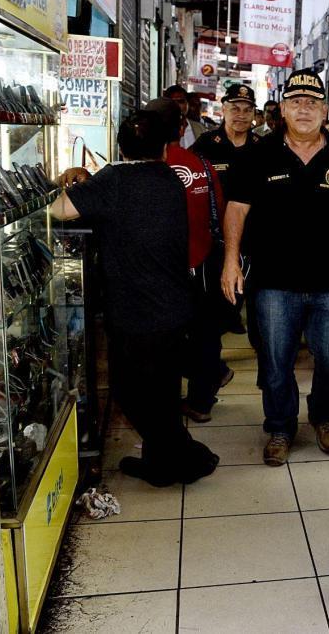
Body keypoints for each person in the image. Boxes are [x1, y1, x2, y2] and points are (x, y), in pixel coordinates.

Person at [51, 111, 219, 486]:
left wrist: (70, 183)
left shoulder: (116, 179)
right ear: (164, 148)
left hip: (135, 309)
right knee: (162, 392)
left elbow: (59, 210)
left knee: (130, 391)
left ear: (120, 147)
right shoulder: (169, 178)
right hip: (174, 305)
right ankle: (163, 464)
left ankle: (187, 457)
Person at [221, 69, 329, 465]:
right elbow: (236, 208)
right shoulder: (259, 153)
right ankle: (280, 426)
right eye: (296, 102)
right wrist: (230, 261)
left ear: (324, 109)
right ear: (283, 109)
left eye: (313, 103)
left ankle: (323, 415)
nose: (304, 109)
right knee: (275, 360)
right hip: (273, 283)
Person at [144, 98, 230, 423]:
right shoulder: (203, 167)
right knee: (205, 334)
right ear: (182, 128)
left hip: (159, 272)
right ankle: (201, 400)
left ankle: (165, 405)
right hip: (203, 264)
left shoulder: (144, 169)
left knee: (162, 339)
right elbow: (219, 216)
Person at [192, 84, 261, 339]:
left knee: (256, 297)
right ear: (224, 110)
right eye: (235, 108)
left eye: (247, 109)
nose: (241, 115)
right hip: (216, 238)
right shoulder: (207, 144)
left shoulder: (262, 147)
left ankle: (259, 342)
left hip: (255, 236)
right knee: (216, 300)